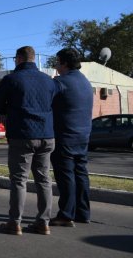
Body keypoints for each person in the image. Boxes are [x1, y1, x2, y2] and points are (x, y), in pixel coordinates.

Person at [0, 46, 56, 236]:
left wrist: (8, 109)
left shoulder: (11, 80)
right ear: (33, 59)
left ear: (19, 59)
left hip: (22, 135)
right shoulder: (49, 81)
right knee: (44, 179)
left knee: (19, 180)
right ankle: (43, 223)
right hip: (47, 135)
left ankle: (15, 222)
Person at [50, 48, 94, 227]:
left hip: (64, 136)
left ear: (64, 63)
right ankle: (83, 213)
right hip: (83, 135)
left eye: (57, 61)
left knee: (65, 176)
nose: (56, 65)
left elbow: (47, 103)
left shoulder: (60, 82)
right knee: (81, 174)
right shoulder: (85, 82)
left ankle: (66, 214)